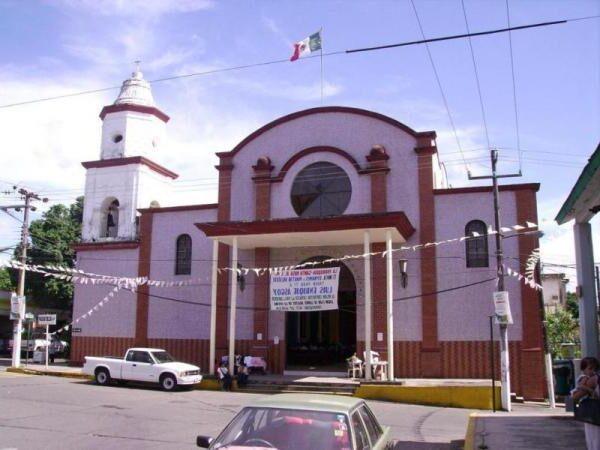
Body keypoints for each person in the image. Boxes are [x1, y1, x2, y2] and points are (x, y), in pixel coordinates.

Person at [572, 356, 600, 449]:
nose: (593, 371)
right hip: (593, 412)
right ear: (583, 370)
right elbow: (579, 389)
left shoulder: (593, 379)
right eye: (590, 368)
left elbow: (575, 397)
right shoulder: (586, 378)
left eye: (595, 369)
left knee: (593, 438)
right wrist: (591, 391)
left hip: (593, 413)